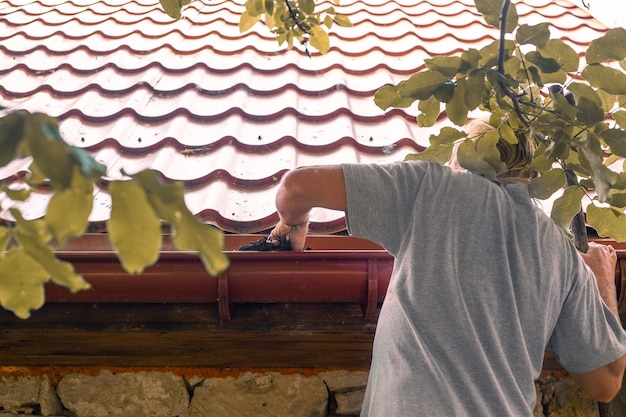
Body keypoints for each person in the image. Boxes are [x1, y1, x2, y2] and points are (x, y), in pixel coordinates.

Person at [268, 118, 626, 416]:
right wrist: (602, 279)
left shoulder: (432, 187)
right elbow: (606, 383)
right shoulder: (559, 251)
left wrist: (292, 225)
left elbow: (296, 187)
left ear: (465, 157)